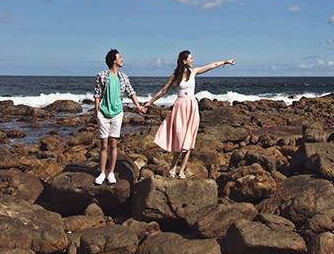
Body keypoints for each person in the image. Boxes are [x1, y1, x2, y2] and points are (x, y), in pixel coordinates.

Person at [146, 50, 236, 178]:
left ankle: (181, 171)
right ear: (184, 61)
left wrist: (225, 62)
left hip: (192, 107)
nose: (192, 60)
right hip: (180, 107)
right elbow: (163, 91)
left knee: (188, 140)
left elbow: (212, 65)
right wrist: (150, 102)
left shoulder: (193, 72)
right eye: (190, 58)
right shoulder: (175, 76)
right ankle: (172, 169)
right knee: (179, 138)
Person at [93, 49, 145, 185]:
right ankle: (102, 173)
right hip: (103, 113)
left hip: (117, 114)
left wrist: (139, 106)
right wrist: (97, 112)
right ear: (113, 60)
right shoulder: (102, 75)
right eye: (120, 57)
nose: (122, 59)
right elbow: (97, 94)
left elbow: (131, 92)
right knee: (104, 144)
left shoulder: (123, 77)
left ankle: (111, 173)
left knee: (113, 144)